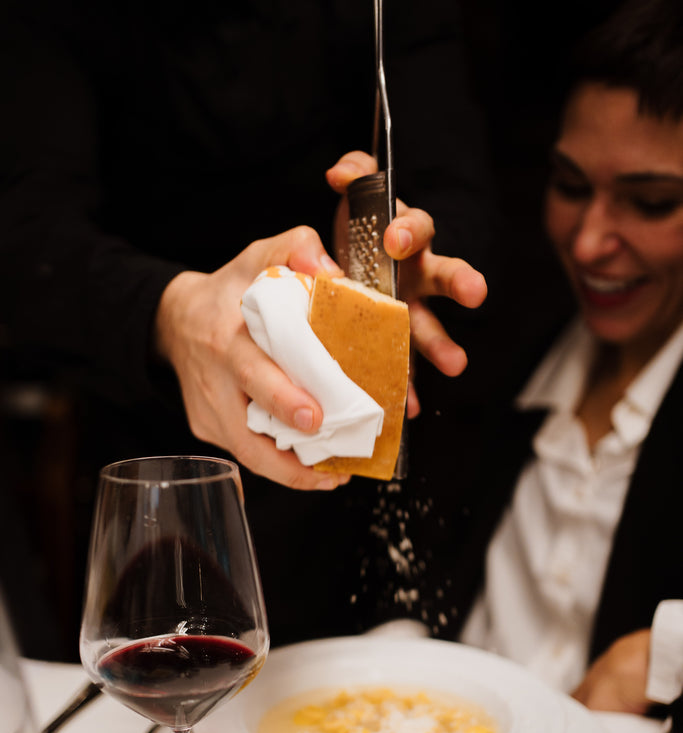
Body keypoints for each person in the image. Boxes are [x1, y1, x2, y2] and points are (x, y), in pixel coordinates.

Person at [0, 0, 493, 656]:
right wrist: (171, 314)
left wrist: (391, 252)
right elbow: (27, 232)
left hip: (351, 443)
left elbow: (458, 187)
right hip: (144, 423)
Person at [419, 0, 683, 729]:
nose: (590, 241)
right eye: (570, 187)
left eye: (650, 203)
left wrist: (660, 654)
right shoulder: (497, 349)